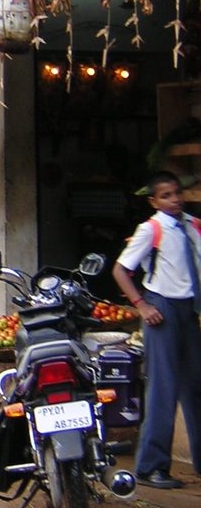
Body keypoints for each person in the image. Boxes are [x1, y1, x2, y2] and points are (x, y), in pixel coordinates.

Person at [112, 170, 201, 489]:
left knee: (196, 387)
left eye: (177, 193)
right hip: (161, 310)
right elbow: (121, 270)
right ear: (154, 201)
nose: (174, 199)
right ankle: (151, 467)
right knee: (164, 389)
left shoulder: (193, 226)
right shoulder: (151, 229)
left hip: (189, 311)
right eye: (165, 195)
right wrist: (142, 305)